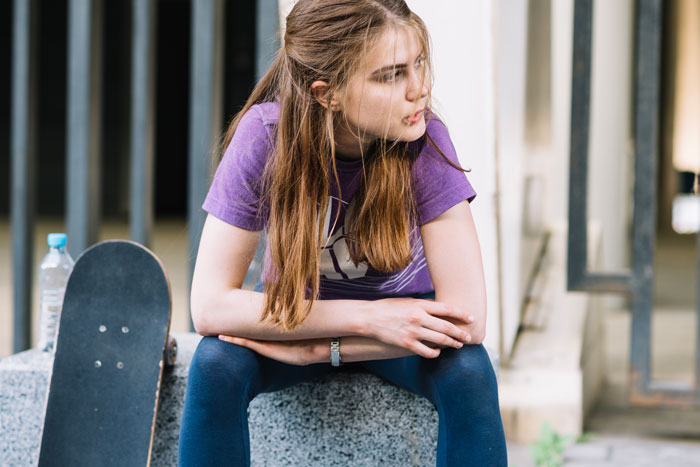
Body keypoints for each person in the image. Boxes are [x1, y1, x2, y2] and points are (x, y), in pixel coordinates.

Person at [178, 0, 507, 465]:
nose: (420, 89)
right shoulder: (264, 138)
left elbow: (468, 319)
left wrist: (326, 350)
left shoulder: (424, 138)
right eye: (390, 75)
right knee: (214, 364)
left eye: (417, 64)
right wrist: (358, 325)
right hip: (300, 321)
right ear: (325, 92)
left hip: (402, 337)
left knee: (469, 370)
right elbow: (210, 306)